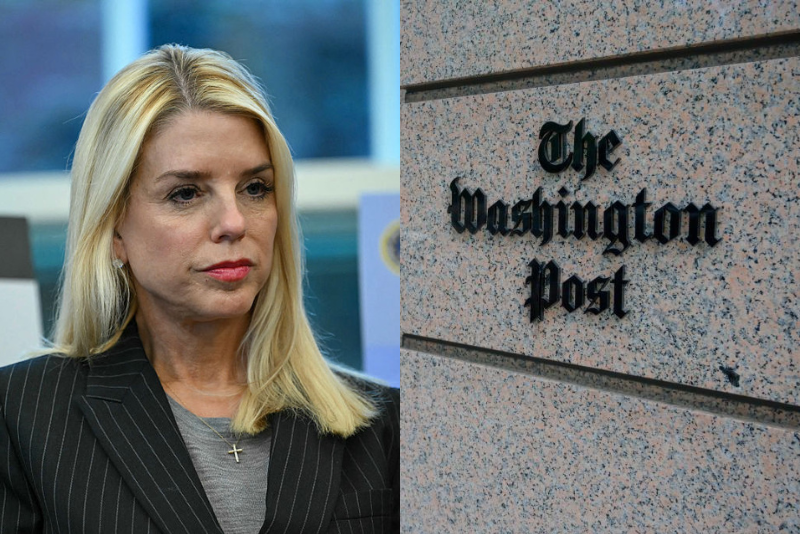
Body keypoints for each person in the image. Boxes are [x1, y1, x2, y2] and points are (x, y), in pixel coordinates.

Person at [0, 44, 399, 534]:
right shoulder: (21, 415)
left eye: (256, 188)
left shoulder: (384, 423)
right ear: (113, 229)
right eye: (185, 193)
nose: (233, 222)